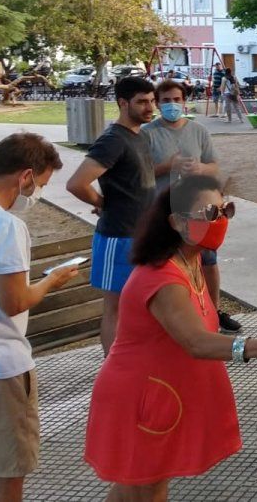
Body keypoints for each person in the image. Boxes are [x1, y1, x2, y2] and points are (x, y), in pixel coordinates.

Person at [83, 175, 257, 499]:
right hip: (143, 398)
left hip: (164, 394)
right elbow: (197, 342)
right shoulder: (162, 278)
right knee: (142, 489)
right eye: (210, 213)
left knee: (143, 486)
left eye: (225, 210)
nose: (221, 220)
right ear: (177, 222)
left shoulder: (191, 259)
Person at [0, 133, 80, 502]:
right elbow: (14, 302)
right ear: (25, 177)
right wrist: (52, 280)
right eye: (41, 185)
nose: (37, 194)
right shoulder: (6, 227)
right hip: (3, 366)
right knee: (9, 472)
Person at [66, 76, 157, 355]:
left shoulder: (139, 135)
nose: (150, 107)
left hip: (143, 236)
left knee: (145, 305)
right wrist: (101, 202)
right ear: (122, 103)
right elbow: (76, 184)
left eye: (152, 101)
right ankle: (114, 368)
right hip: (117, 238)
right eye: (142, 102)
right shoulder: (112, 140)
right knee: (115, 308)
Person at [142, 79, 241, 333]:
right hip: (164, 210)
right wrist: (168, 165)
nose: (172, 105)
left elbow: (214, 164)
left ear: (184, 101)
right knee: (170, 262)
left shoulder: (198, 131)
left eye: (176, 100)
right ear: (157, 103)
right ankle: (178, 317)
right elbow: (141, 174)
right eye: (166, 101)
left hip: (198, 209)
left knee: (208, 258)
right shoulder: (147, 134)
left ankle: (213, 312)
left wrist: (200, 168)